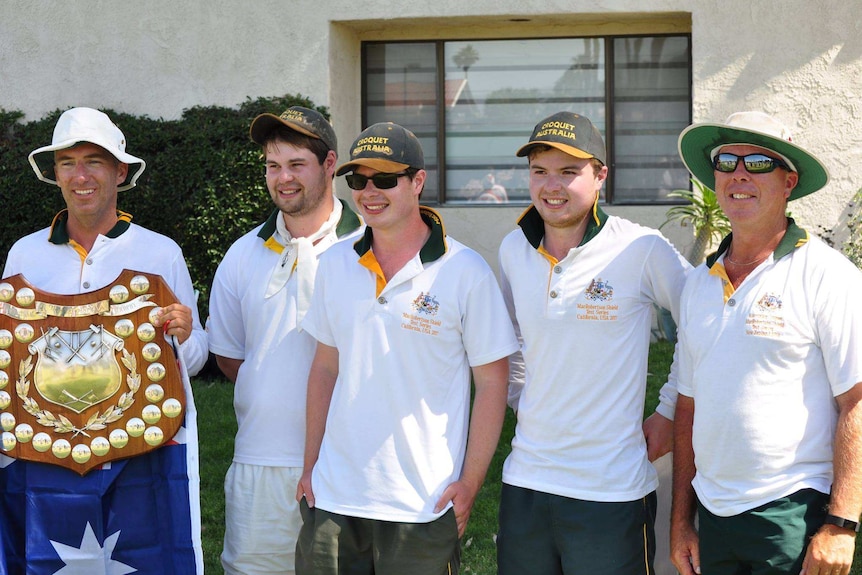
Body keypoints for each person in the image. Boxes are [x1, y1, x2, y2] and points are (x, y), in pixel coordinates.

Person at [294, 122, 519, 575]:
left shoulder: (466, 271)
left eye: (385, 179)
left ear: (417, 182)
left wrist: (471, 483)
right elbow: (325, 367)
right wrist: (310, 465)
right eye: (358, 181)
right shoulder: (335, 263)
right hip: (334, 499)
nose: (369, 192)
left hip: (423, 503)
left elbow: (492, 384)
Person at [0, 106, 208, 573]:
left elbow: (192, 364)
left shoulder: (160, 252)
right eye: (68, 163)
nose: (81, 176)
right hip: (44, 455)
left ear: (119, 171)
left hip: (139, 454)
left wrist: (185, 334)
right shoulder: (24, 255)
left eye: (94, 161)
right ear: (54, 174)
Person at [495, 110, 691, 575]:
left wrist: (668, 408)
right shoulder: (513, 249)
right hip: (527, 479)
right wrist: (521, 397)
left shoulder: (642, 249)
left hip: (612, 488)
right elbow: (509, 339)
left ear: (601, 174)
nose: (551, 186)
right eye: (539, 172)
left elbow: (703, 323)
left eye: (569, 172)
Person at [670, 111, 862, 575]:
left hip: (793, 513)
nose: (738, 174)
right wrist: (681, 522)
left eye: (757, 161)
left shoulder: (827, 274)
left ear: (788, 181)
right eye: (725, 161)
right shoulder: (698, 284)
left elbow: (856, 401)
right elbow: (688, 407)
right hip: (714, 513)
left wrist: (841, 525)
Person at [207, 106, 361, 575]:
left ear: (329, 164)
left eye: (297, 164)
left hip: (349, 462)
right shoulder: (241, 253)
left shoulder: (369, 245)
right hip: (259, 461)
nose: (283, 178)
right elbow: (231, 358)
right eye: (273, 166)